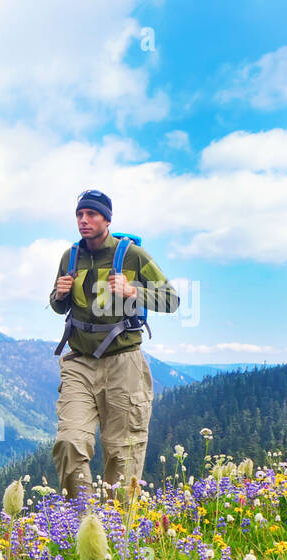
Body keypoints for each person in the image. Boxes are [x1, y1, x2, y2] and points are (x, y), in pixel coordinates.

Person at [49, 189, 179, 503]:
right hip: (80, 360)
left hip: (124, 361)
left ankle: (119, 529)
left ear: (107, 218)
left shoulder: (133, 256)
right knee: (69, 441)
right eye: (79, 215)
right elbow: (57, 306)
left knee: (123, 453)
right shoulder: (70, 256)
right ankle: (82, 522)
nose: (83, 220)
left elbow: (171, 300)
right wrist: (59, 295)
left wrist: (133, 290)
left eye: (91, 214)